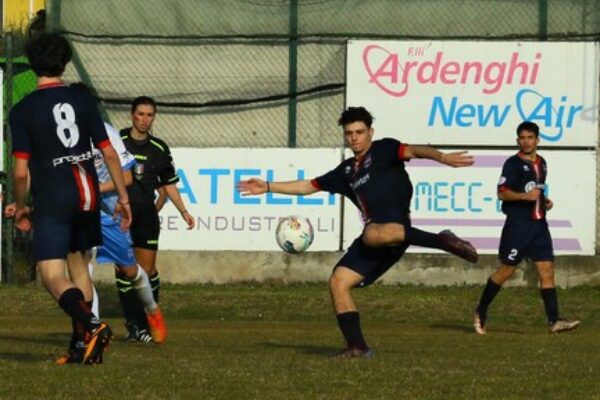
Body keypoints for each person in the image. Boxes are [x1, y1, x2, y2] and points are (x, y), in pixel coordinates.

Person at [237, 106, 478, 358]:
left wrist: (443, 158)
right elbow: (308, 185)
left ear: (370, 132)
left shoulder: (384, 149)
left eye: (359, 132)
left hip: (393, 229)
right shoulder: (346, 171)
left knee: (375, 233)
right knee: (338, 281)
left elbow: (416, 150)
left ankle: (444, 241)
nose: (354, 137)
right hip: (373, 234)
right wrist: (267, 186)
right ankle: (357, 347)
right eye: (349, 133)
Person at [8, 32, 131, 364]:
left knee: (51, 274)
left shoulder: (22, 110)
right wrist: (123, 198)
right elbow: (109, 155)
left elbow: (21, 172)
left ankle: (91, 326)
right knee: (79, 270)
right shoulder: (83, 101)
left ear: (32, 65)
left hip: (55, 200)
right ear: (65, 62)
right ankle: (83, 349)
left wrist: (20, 207)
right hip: (88, 196)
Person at [473, 121, 581, 335]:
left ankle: (554, 321)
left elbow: (535, 190)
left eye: (530, 137)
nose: (526, 141)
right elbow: (502, 193)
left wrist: (545, 200)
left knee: (547, 271)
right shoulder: (512, 164)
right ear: (517, 141)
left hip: (539, 226)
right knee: (506, 271)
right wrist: (524, 197)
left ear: (537, 140)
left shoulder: (542, 163)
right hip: (518, 226)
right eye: (522, 138)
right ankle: (480, 311)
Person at [118, 96, 195, 342]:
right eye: (140, 114)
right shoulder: (116, 141)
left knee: (147, 271)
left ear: (154, 117)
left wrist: (184, 211)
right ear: (132, 115)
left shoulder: (159, 148)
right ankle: (134, 326)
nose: (144, 119)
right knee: (124, 270)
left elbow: (168, 184)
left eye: (149, 115)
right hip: (120, 216)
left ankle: (149, 319)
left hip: (146, 217)